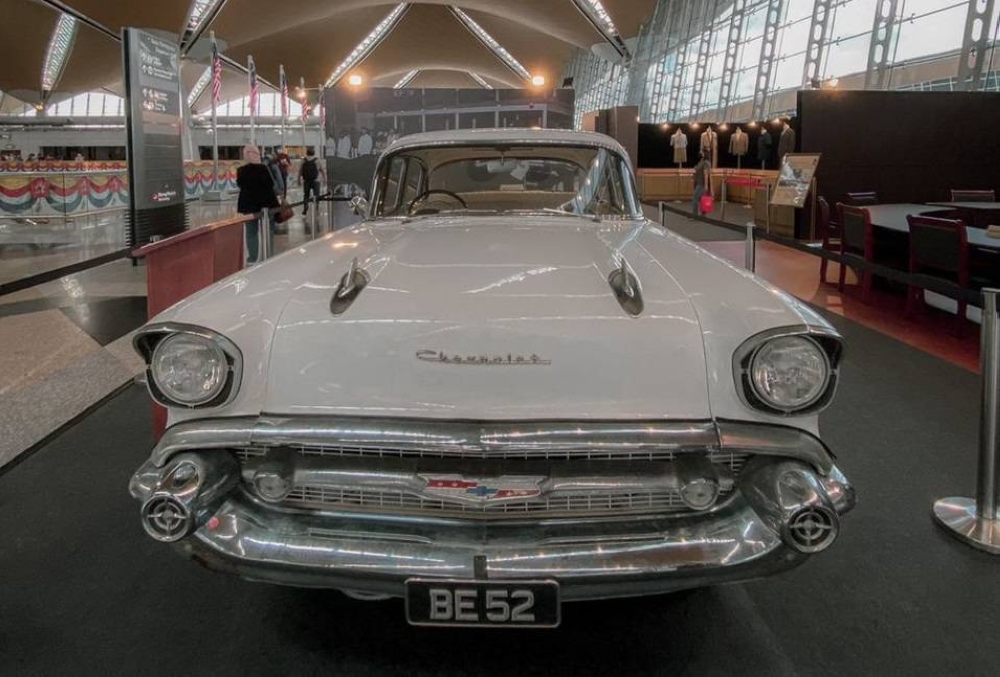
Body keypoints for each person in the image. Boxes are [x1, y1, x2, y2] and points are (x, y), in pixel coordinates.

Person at [237, 145, 279, 265]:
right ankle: (269, 254)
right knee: (268, 230)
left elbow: (240, 185)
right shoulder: (263, 168)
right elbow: (271, 184)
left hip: (249, 206)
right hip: (266, 204)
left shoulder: (241, 170)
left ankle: (252, 258)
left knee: (251, 232)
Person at [299, 147, 324, 216]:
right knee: (317, 195)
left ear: (307, 152)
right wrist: (325, 178)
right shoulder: (317, 160)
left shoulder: (303, 160)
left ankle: (305, 206)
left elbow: (300, 171)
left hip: (306, 180)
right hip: (316, 180)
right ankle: (317, 208)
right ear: (314, 153)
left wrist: (298, 179)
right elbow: (321, 170)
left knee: (306, 195)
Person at [692, 149, 712, 218]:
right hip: (698, 182)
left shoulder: (706, 163)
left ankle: (695, 215)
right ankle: (703, 215)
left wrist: (706, 185)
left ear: (704, 153)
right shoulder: (702, 161)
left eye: (701, 152)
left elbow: (706, 174)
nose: (700, 153)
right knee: (701, 199)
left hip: (702, 184)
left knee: (695, 198)